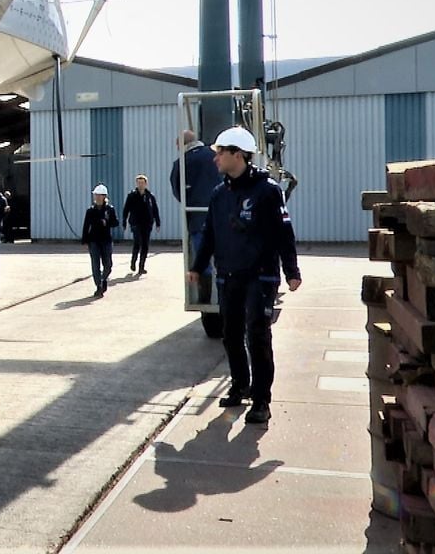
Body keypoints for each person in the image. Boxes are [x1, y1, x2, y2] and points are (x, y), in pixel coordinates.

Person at [187, 126, 301, 425]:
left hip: (260, 277)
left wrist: (291, 270)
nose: (215, 160)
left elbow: (283, 234)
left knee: (258, 335)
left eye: (220, 153)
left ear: (237, 155)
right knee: (231, 334)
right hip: (229, 276)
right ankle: (240, 384)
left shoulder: (268, 192)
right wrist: (197, 267)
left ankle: (261, 400)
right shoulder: (219, 194)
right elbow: (210, 234)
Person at [170, 130, 220, 302]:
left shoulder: (181, 163)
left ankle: (205, 298)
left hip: (197, 220)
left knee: (202, 259)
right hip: (223, 218)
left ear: (182, 144)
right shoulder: (216, 155)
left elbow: (178, 192)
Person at [80, 184, 119, 298]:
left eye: (99, 195)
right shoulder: (90, 211)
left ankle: (103, 279)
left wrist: (107, 222)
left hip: (106, 240)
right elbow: (86, 226)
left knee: (108, 265)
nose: (96, 197)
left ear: (104, 196)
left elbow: (115, 223)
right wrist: (84, 240)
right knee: (95, 264)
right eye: (95, 195)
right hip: (94, 241)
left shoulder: (109, 209)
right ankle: (99, 286)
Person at [121, 174, 161, 274]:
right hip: (135, 223)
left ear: (146, 184)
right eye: (139, 183)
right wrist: (124, 221)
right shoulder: (132, 195)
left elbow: (155, 209)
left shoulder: (150, 196)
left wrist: (157, 222)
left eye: (142, 183)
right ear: (136, 184)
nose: (141, 185)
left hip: (147, 223)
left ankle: (141, 266)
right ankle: (133, 261)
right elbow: (126, 209)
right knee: (137, 242)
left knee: (145, 245)